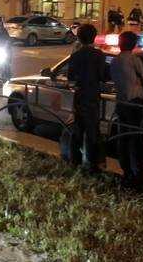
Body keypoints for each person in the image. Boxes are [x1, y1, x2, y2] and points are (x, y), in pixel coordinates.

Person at [65, 23, 107, 173]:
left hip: (80, 95)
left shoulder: (76, 55)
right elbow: (103, 76)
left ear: (79, 38)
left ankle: (74, 161)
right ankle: (95, 163)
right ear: (94, 37)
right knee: (93, 130)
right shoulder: (99, 55)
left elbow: (70, 77)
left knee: (77, 129)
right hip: (93, 95)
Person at [110, 31, 143, 187]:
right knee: (136, 137)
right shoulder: (134, 60)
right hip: (135, 101)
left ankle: (126, 170)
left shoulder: (114, 61)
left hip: (121, 102)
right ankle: (138, 172)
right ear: (134, 44)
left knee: (123, 137)